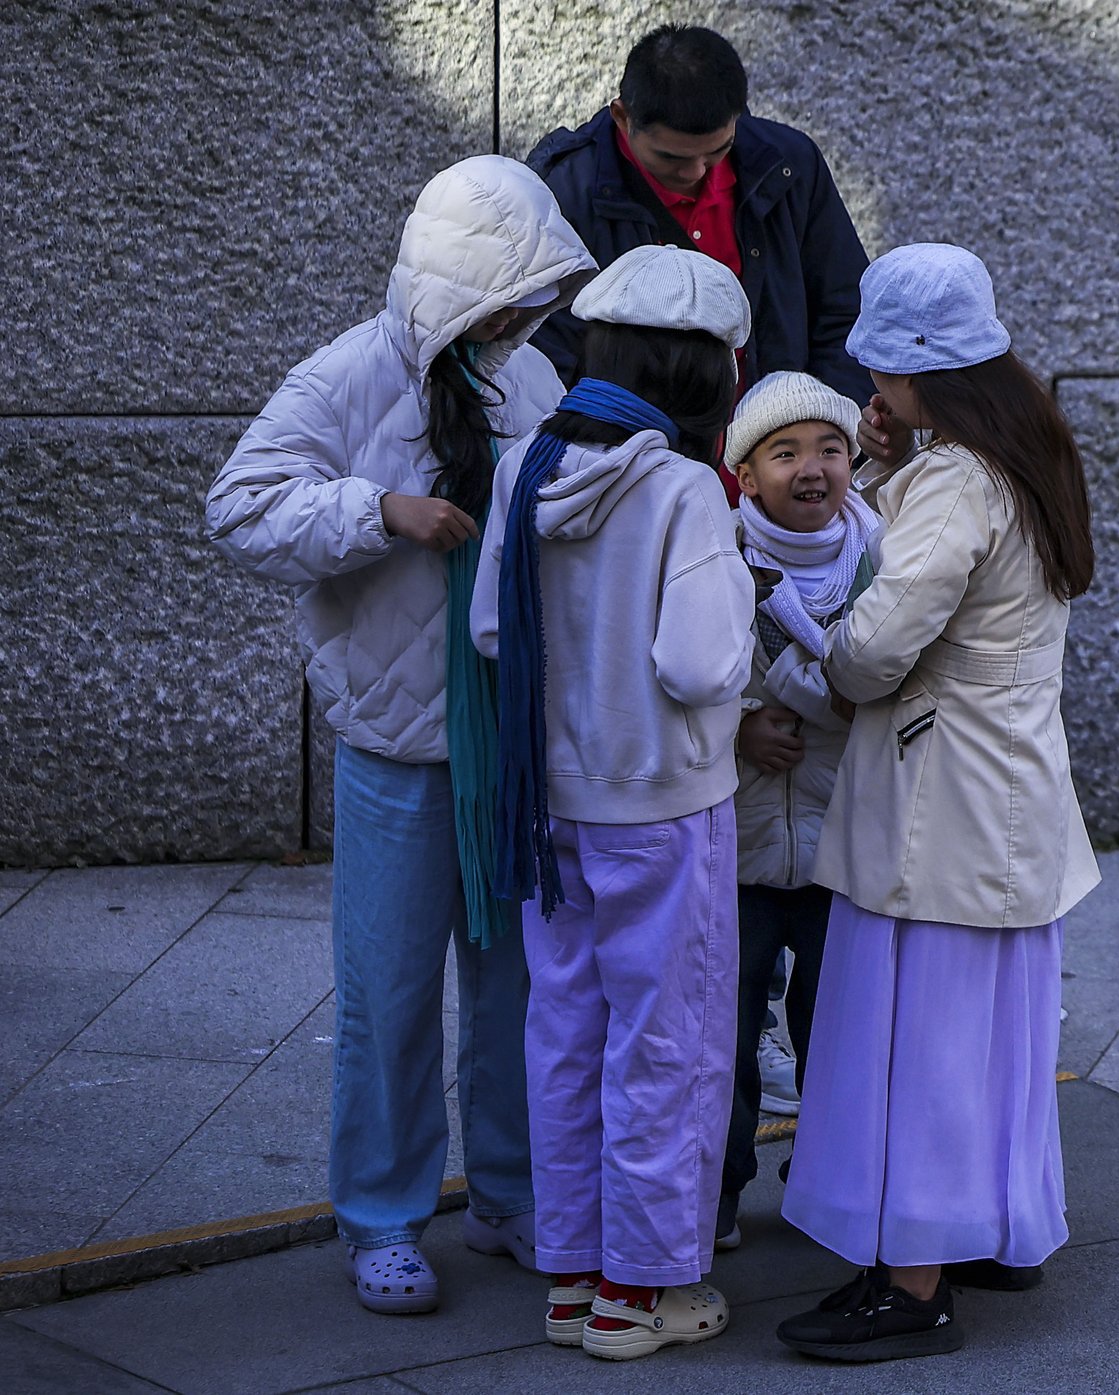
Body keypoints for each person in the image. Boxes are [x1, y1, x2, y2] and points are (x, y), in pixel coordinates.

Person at [205, 156, 597, 1314]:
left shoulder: (523, 375)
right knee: (387, 995)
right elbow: (238, 504)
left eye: (534, 305)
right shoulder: (344, 376)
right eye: (506, 302)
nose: (523, 324)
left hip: (510, 741)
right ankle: (380, 1217)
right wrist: (378, 511)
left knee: (519, 984)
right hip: (393, 747)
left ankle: (510, 1197)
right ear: (454, 291)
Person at [774, 244, 1101, 1363]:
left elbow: (871, 652)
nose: (871, 396)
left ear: (920, 376)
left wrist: (805, 639)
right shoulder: (1030, 448)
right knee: (995, 1036)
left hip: (937, 793)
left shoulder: (956, 481)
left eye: (881, 377)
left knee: (918, 1040)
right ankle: (990, 1233)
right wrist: (886, 469)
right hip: (1010, 783)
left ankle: (908, 1286)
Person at [470, 243, 756, 1361]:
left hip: (551, 809)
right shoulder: (683, 489)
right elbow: (698, 666)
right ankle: (640, 1297)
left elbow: (496, 632)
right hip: (666, 807)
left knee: (565, 1035)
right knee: (667, 1043)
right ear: (702, 377)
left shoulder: (525, 468)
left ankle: (571, 1279)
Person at [716, 371, 885, 1253]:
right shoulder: (716, 552)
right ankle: (717, 1190)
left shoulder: (883, 557)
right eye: (785, 453)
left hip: (841, 849)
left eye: (830, 449)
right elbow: (681, 674)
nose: (813, 469)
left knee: (838, 1030)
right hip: (737, 851)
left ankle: (825, 1184)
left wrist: (803, 697)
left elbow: (884, 691)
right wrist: (740, 727)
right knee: (726, 1031)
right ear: (745, 475)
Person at [525, 25, 870, 407]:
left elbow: (848, 316)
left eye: (717, 151)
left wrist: (819, 427)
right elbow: (545, 351)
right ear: (622, 118)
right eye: (671, 157)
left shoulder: (791, 164)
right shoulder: (564, 191)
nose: (696, 174)